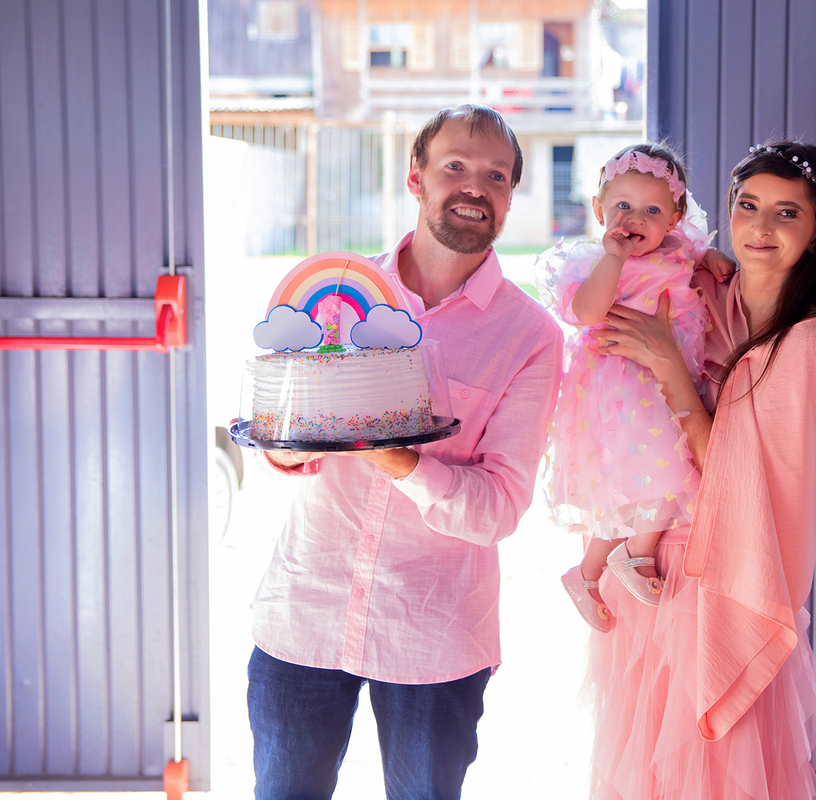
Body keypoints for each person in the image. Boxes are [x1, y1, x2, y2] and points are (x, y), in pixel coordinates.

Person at [246, 105, 564, 800]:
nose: (475, 186)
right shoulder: (336, 293)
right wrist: (292, 443)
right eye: (454, 166)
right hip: (305, 607)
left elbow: (499, 508)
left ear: (511, 196)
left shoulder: (532, 336)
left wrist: (397, 458)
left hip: (435, 632)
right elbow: (290, 440)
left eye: (497, 176)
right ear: (415, 177)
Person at [590, 140, 816, 799]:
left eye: (786, 213)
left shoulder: (809, 344)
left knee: (718, 775)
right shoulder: (703, 292)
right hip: (648, 574)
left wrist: (668, 367)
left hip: (724, 588)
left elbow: (741, 489)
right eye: (747, 207)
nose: (760, 228)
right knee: (644, 771)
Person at [535, 144, 709, 631]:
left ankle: (587, 574)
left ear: (675, 218)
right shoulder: (594, 263)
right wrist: (612, 259)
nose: (635, 219)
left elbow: (698, 253)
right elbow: (587, 314)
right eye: (622, 207)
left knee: (640, 483)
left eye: (652, 210)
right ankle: (636, 554)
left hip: (657, 382)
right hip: (618, 389)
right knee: (668, 468)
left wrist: (713, 259)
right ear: (598, 210)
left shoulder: (680, 252)